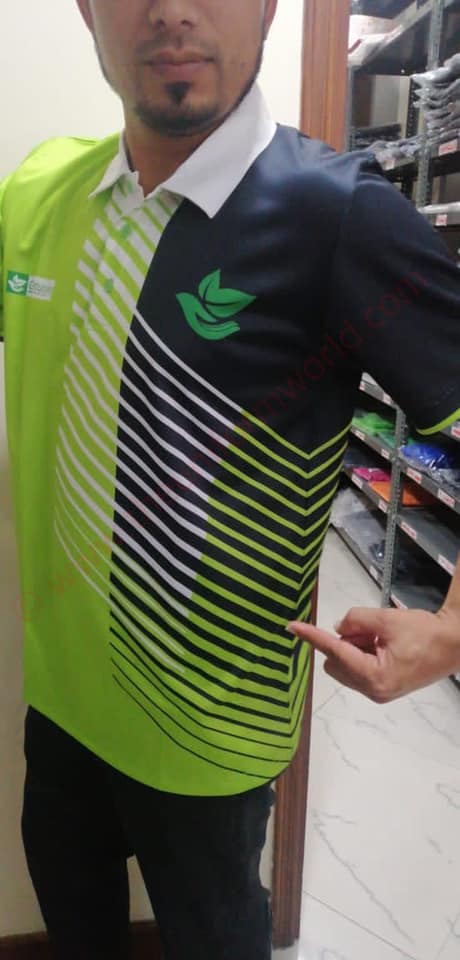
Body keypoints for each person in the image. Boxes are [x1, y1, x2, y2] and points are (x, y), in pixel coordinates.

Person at [1, 1, 459, 957]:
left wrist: (453, 630)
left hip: (213, 739)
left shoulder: (339, 214)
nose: (172, 11)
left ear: (268, 6)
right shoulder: (38, 191)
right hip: (60, 705)